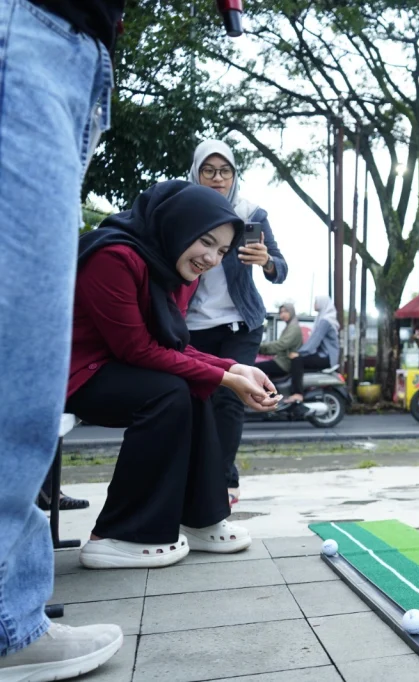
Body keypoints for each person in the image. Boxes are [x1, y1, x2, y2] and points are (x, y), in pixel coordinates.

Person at [0, 0, 123, 676]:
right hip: (32, 32)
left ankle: (12, 615)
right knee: (15, 347)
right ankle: (8, 621)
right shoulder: (126, 259)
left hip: (64, 46)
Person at [67, 181, 279, 571]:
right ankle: (118, 535)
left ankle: (199, 520)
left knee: (190, 387)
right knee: (168, 392)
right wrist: (226, 379)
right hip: (74, 374)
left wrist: (233, 367)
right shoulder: (114, 256)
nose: (211, 258)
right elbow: (137, 349)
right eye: (206, 242)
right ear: (179, 225)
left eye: (222, 251)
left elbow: (174, 345)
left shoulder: (175, 269)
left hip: (116, 367)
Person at [185, 139, 288, 505]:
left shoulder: (250, 213)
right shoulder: (182, 208)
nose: (217, 178)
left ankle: (223, 481)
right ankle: (194, 475)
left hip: (240, 323)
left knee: (231, 398)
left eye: (225, 171)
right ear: (196, 173)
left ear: (234, 176)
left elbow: (281, 269)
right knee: (195, 402)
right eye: (209, 170)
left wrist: (266, 261)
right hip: (191, 325)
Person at [282, 296, 341, 404]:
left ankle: (298, 394)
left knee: (297, 360)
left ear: (322, 303)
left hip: (326, 357)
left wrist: (299, 353)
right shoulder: (323, 318)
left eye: (316, 302)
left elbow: (315, 340)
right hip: (324, 356)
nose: (314, 304)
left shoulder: (325, 321)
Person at [255, 303, 304, 381]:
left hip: (284, 363)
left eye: (286, 311)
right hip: (281, 361)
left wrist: (259, 347)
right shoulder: (290, 326)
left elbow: (281, 344)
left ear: (291, 312)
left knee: (255, 368)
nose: (283, 314)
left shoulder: (293, 327)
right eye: (281, 312)